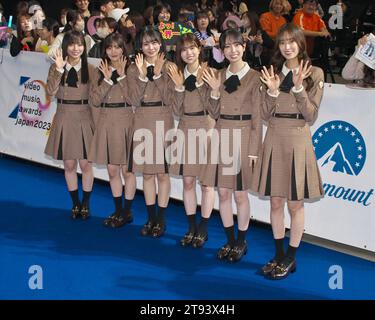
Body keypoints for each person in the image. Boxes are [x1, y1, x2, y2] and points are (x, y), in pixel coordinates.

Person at [256, 23, 324, 279]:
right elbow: (263, 113)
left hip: (297, 138)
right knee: (275, 201)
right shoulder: (271, 72)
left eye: (291, 41)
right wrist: (272, 92)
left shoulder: (314, 73)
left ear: (300, 43)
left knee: (294, 204)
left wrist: (298, 88)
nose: (287, 46)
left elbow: (311, 114)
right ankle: (277, 254)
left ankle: (291, 257)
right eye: (282, 42)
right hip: (274, 136)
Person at [200, 28, 263, 262]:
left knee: (240, 195)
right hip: (222, 134)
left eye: (237, 45)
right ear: (222, 50)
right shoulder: (218, 75)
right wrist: (215, 92)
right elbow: (214, 112)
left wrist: (255, 149)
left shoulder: (256, 77)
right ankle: (229, 240)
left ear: (244, 47)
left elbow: (258, 118)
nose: (232, 50)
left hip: (244, 136)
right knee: (223, 193)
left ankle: (241, 241)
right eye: (227, 46)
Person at [89, 33, 146, 227]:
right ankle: (118, 209)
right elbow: (94, 100)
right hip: (106, 120)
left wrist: (121, 76)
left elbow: (134, 99)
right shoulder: (99, 70)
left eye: (117, 47)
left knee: (127, 171)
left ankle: (126, 212)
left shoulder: (131, 70)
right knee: (112, 170)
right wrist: (106, 80)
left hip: (125, 120)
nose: (113, 51)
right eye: (109, 47)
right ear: (104, 50)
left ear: (123, 48)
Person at [167, 33, 216, 248]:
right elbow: (176, 110)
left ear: (199, 49)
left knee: (206, 184)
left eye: (192, 48)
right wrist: (178, 87)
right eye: (184, 49)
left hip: (205, 130)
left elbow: (215, 108)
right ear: (179, 53)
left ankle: (203, 228)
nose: (189, 53)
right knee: (187, 181)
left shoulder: (209, 73)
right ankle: (191, 227)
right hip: (185, 128)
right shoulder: (176, 75)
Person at [44, 31, 96, 220]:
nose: (76, 48)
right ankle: (75, 203)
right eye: (72, 44)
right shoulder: (56, 67)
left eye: (80, 44)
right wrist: (58, 70)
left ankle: (86, 203)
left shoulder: (90, 69)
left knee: (86, 164)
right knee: (69, 164)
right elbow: (50, 91)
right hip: (64, 115)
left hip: (84, 116)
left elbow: (96, 98)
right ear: (65, 46)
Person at [129, 26, 175, 238]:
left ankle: (162, 219)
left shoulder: (170, 66)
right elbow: (132, 99)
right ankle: (150, 217)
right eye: (146, 43)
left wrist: (157, 75)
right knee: (147, 173)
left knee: (163, 173)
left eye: (154, 42)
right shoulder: (133, 68)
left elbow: (171, 99)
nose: (151, 47)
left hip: (163, 119)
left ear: (161, 43)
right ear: (141, 46)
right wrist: (140, 75)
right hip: (142, 120)